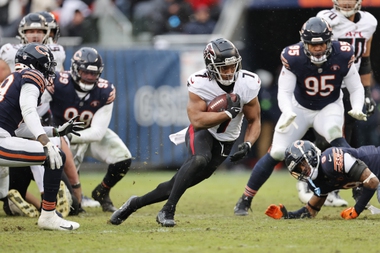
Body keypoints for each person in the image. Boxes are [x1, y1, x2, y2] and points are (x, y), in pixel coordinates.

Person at [108, 38, 262, 227]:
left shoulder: (248, 83)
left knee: (175, 185)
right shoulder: (200, 83)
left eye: (232, 66)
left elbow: (254, 120)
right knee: (199, 159)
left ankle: (134, 203)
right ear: (211, 67)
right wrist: (227, 113)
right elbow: (196, 120)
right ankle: (168, 210)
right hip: (202, 131)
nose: (229, 72)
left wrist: (248, 143)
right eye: (224, 68)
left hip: (226, 140)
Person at [233, 16, 367, 216]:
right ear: (304, 43)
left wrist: (358, 106)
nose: (318, 49)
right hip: (299, 108)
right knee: (277, 152)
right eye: (313, 45)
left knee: (336, 139)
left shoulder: (343, 53)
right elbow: (284, 91)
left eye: (322, 44)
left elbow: (356, 87)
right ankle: (245, 199)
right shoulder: (293, 56)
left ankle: (361, 185)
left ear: (330, 41)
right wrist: (287, 111)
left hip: (329, 107)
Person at [297, 0, 378, 207]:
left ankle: (334, 187)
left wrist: (366, 92)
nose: (347, 2)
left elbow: (365, 60)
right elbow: (308, 49)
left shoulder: (369, 22)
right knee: (328, 138)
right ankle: (311, 182)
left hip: (351, 84)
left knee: (347, 136)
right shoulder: (326, 19)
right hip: (329, 83)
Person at [41, 47, 133, 213]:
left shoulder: (105, 90)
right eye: (85, 72)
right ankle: (70, 200)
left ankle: (102, 191)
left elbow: (97, 132)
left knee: (123, 158)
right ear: (75, 69)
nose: (90, 77)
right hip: (59, 135)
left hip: (87, 133)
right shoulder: (57, 82)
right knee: (69, 171)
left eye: (94, 73)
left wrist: (69, 137)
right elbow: (40, 109)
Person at [0, 42, 80, 230]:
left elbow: (17, 130)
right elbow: (28, 110)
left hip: (4, 136)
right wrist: (46, 142)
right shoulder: (32, 75)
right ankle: (48, 216)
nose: (50, 71)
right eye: (47, 65)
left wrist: (55, 132)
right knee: (55, 156)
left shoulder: (13, 78)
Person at [265, 140, 380, 220]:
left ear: (311, 155)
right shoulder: (317, 181)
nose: (303, 170)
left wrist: (356, 210)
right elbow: (311, 210)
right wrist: (286, 215)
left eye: (303, 163)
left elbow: (372, 181)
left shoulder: (330, 160)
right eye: (299, 169)